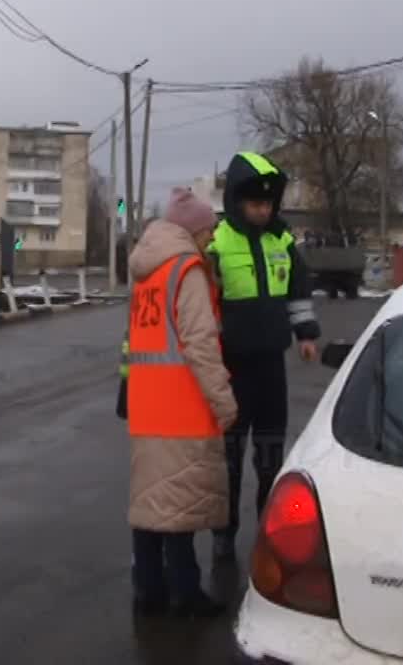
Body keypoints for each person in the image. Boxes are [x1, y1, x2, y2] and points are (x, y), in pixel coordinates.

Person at [124, 187, 238, 618]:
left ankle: (148, 589)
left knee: (152, 504)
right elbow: (201, 345)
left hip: (148, 406)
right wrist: (224, 402)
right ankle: (186, 595)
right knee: (180, 511)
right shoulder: (186, 271)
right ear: (192, 230)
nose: (210, 238)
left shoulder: (147, 272)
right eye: (208, 230)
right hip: (183, 408)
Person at [208, 151, 320, 564]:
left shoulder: (283, 242)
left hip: (272, 365)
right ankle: (224, 532)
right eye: (255, 203)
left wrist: (305, 334)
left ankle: (268, 529)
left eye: (268, 203)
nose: (263, 210)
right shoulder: (217, 243)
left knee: (271, 454)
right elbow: (205, 301)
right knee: (230, 460)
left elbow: (298, 292)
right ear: (237, 201)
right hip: (232, 366)